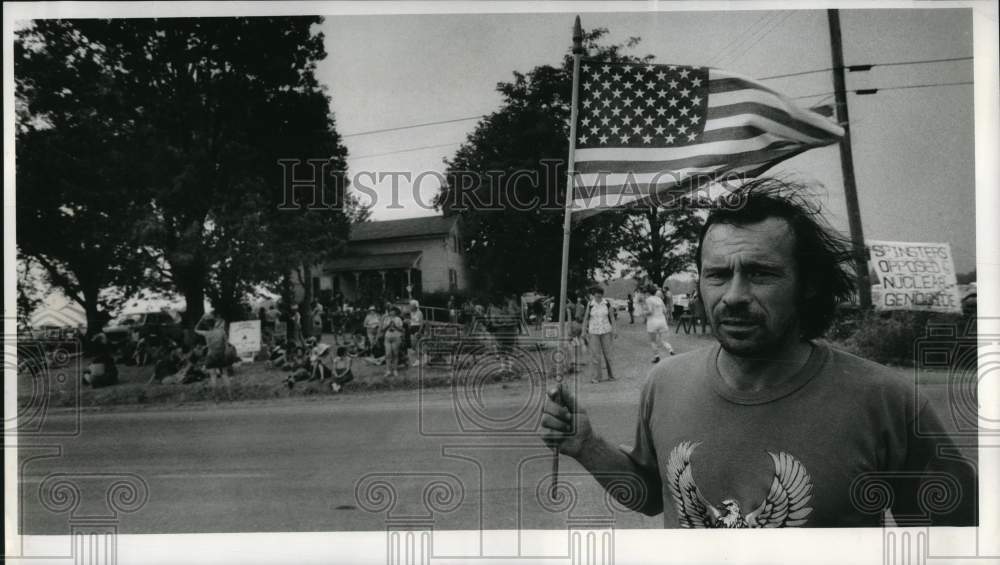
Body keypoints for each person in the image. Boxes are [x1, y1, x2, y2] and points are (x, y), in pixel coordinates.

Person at [541, 178, 977, 528]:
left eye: (760, 273)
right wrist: (587, 446)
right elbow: (653, 497)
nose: (733, 295)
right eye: (717, 275)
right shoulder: (665, 381)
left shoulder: (887, 402)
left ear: (806, 285)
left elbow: (953, 547)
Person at [581, 286, 616, 383]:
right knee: (595, 356)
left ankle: (611, 375)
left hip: (606, 331)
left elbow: (612, 317)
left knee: (608, 354)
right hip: (594, 332)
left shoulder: (607, 304)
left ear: (602, 295)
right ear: (593, 295)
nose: (598, 298)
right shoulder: (590, 304)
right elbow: (586, 318)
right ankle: (596, 377)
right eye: (596, 296)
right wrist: (583, 331)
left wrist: (615, 330)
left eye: (600, 296)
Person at [200, 316, 233, 403]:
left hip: (211, 355)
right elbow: (226, 344)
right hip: (222, 355)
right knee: (225, 375)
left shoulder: (207, 334)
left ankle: (216, 398)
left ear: (207, 325)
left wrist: (201, 320)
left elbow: (208, 346)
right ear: (215, 323)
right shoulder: (221, 332)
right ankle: (230, 397)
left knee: (213, 377)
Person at [644, 287, 675, 362]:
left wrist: (644, 312)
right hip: (662, 321)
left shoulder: (648, 300)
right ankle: (671, 350)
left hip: (652, 322)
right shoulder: (659, 299)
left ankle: (656, 357)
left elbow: (650, 311)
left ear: (648, 293)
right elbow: (665, 310)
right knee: (664, 340)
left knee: (653, 341)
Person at [381, 306, 404, 377]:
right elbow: (383, 329)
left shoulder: (398, 319)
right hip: (387, 337)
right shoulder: (386, 319)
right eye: (390, 311)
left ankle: (395, 370)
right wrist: (388, 325)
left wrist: (395, 326)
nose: (392, 312)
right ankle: (388, 370)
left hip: (396, 337)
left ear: (395, 312)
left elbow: (401, 329)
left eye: (393, 311)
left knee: (395, 354)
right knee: (388, 354)